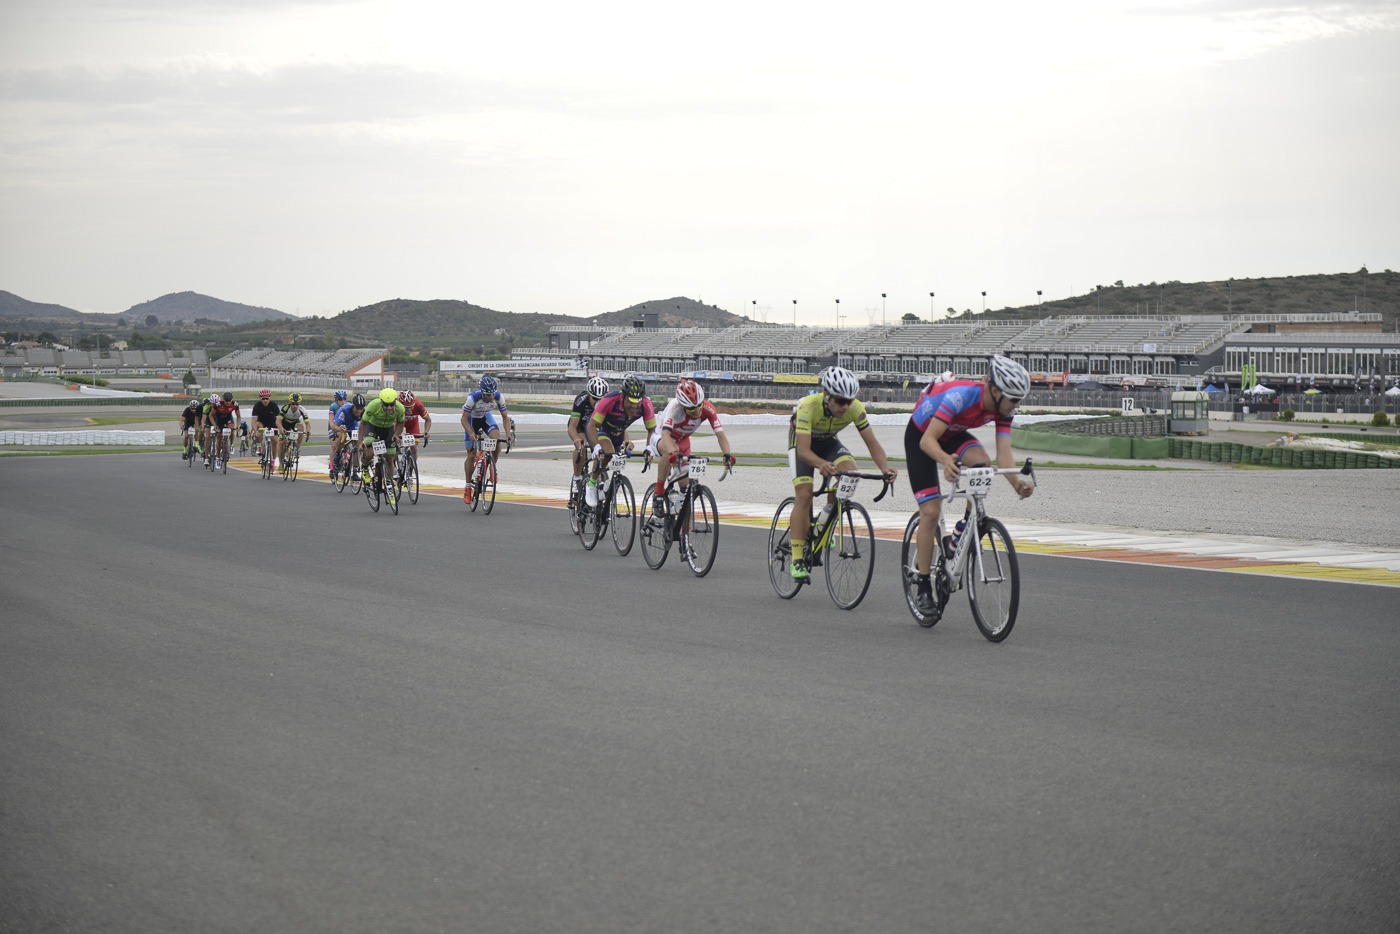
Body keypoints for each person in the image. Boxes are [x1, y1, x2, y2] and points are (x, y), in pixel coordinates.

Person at [905, 354, 1035, 618]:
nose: (1016, 406)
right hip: (922, 436)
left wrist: (1016, 483)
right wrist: (944, 461)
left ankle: (959, 534)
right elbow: (929, 441)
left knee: (982, 464)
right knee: (930, 511)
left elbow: (1003, 453)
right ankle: (922, 584)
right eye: (1014, 400)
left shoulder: (1003, 407)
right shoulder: (961, 396)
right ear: (996, 391)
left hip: (951, 434)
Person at [786, 366, 897, 582]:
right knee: (805, 495)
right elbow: (803, 451)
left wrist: (885, 468)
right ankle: (797, 559)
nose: (845, 406)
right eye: (840, 401)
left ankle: (825, 520)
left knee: (850, 473)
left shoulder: (854, 408)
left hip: (828, 442)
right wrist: (821, 464)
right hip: (803, 446)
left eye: (849, 401)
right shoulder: (807, 407)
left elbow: (872, 443)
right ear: (826, 395)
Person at [648, 378, 735, 515]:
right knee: (672, 450)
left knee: (686, 491)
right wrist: (672, 452)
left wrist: (727, 454)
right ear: (682, 406)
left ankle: (683, 532)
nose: (696, 411)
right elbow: (665, 434)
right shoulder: (674, 408)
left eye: (699, 406)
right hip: (661, 437)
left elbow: (720, 435)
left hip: (683, 441)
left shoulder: (708, 408)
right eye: (691, 409)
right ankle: (658, 493)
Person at [584, 374, 658, 508]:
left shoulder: (646, 404)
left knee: (616, 459)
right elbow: (591, 426)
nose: (635, 406)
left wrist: (649, 448)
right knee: (608, 453)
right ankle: (592, 483)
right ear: (623, 397)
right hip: (602, 430)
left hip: (620, 433)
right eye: (631, 401)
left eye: (638, 401)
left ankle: (606, 487)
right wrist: (596, 448)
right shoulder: (609, 401)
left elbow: (652, 430)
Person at [460, 375, 510, 505]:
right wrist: (471, 433)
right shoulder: (473, 398)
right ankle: (467, 486)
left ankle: (492, 466)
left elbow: (505, 418)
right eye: (488, 395)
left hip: (485, 418)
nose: (491, 397)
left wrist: (508, 435)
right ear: (482, 392)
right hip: (471, 420)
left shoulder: (499, 397)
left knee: (497, 442)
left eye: (493, 394)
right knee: (471, 454)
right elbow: (464, 419)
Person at [567, 376, 608, 507]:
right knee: (582, 446)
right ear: (589, 395)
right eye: (595, 399)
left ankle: (598, 479)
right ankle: (577, 478)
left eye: (601, 399)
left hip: (595, 427)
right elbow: (572, 426)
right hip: (580, 426)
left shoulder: (607, 403)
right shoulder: (581, 401)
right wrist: (576, 439)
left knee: (603, 448)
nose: (598, 402)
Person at [357, 387, 406, 488]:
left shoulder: (400, 408)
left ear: (395, 402)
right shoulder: (373, 406)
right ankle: (365, 467)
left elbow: (401, 423)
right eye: (386, 405)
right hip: (372, 427)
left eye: (392, 404)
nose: (389, 408)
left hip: (388, 429)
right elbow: (363, 424)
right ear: (381, 402)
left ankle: (389, 484)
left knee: (390, 457)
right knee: (370, 452)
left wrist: (396, 435)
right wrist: (359, 442)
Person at [332, 393, 367, 478]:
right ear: (353, 406)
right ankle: (337, 455)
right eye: (357, 408)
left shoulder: (364, 412)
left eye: (361, 409)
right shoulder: (344, 410)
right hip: (342, 425)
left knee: (357, 445)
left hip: (354, 427)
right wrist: (339, 428)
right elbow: (334, 426)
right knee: (342, 436)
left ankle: (355, 471)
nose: (359, 411)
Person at [207, 391, 242, 463]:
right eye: (226, 401)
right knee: (219, 438)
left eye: (229, 401)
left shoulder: (235, 404)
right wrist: (214, 425)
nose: (228, 402)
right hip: (219, 419)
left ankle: (231, 445)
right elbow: (210, 415)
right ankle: (218, 457)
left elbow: (238, 416)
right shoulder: (218, 404)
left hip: (228, 418)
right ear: (223, 399)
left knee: (232, 428)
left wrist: (238, 426)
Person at [276, 392, 309, 465]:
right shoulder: (285, 408)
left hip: (295, 422)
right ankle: (281, 463)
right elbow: (278, 421)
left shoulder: (302, 409)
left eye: (297, 404)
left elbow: (307, 423)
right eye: (293, 404)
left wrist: (307, 431)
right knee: (282, 442)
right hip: (285, 423)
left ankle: (297, 448)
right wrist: (281, 429)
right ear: (290, 403)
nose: (295, 406)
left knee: (301, 429)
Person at [250, 388, 280, 465]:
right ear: (260, 399)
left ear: (270, 398)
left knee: (275, 440)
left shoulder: (274, 405)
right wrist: (255, 430)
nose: (265, 400)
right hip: (261, 422)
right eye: (263, 399)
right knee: (258, 428)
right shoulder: (257, 406)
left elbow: (279, 419)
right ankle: (259, 446)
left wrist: (280, 429)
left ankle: (273, 461)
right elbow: (253, 420)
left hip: (272, 423)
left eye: (267, 398)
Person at [327, 390, 351, 477]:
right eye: (340, 400)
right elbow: (331, 421)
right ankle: (332, 467)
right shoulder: (333, 407)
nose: (343, 401)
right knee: (334, 446)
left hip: (344, 427)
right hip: (334, 427)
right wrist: (335, 429)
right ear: (336, 400)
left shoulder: (348, 405)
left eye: (344, 399)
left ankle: (347, 456)